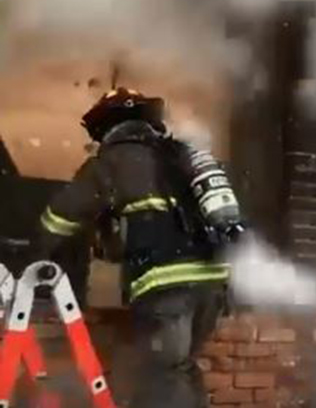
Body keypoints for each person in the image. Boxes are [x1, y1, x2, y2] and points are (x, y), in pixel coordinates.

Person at [36, 88, 241, 408]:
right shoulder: (179, 154)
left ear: (105, 129)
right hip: (213, 286)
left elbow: (59, 220)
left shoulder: (110, 162)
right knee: (180, 369)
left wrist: (34, 257)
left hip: (166, 287)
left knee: (162, 377)